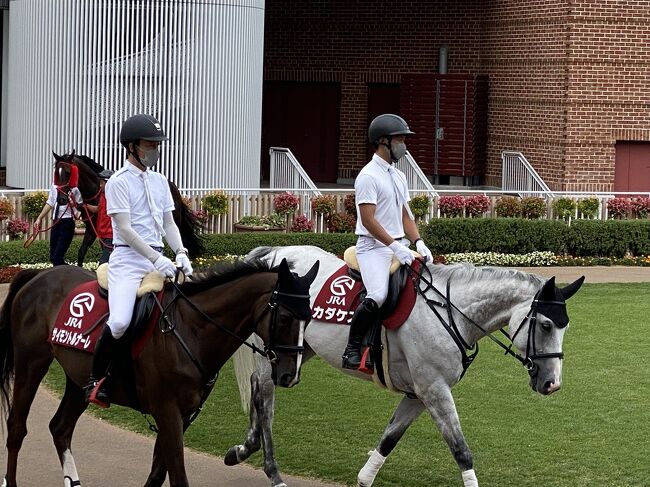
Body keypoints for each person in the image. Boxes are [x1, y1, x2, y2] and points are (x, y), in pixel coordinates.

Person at [85, 114, 193, 408]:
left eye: (157, 145)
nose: (155, 150)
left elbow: (169, 224)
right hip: (128, 260)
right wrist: (158, 259)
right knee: (119, 322)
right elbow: (126, 230)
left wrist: (181, 252)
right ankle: (97, 380)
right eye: (150, 145)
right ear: (131, 146)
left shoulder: (160, 182)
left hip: (159, 257)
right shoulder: (118, 182)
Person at [341, 114, 434, 370]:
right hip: (373, 248)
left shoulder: (398, 175)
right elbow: (368, 220)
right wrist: (395, 247)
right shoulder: (368, 176)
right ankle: (352, 349)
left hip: (400, 246)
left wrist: (418, 242)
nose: (404, 144)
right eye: (400, 139)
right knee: (379, 295)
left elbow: (405, 214)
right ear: (383, 141)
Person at [34, 164, 84, 266]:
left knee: (57, 257)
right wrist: (39, 218)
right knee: (53, 257)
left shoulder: (74, 189)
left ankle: (65, 275)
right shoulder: (54, 186)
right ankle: (66, 273)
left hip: (67, 223)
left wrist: (73, 204)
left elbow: (79, 208)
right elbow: (50, 202)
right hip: (56, 222)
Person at [83, 169, 115, 265]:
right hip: (102, 234)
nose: (100, 185)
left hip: (110, 235)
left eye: (102, 183)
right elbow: (98, 209)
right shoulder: (102, 194)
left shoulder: (115, 196)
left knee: (103, 264)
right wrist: (85, 205)